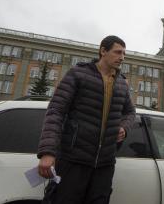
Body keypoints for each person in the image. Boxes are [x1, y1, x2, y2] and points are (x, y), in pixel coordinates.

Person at [37, 35, 135, 204]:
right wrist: (48, 152)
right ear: (103, 51)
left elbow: (130, 113)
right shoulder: (78, 74)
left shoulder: (120, 83)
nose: (122, 58)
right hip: (73, 160)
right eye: (118, 52)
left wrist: (124, 127)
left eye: (124, 54)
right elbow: (56, 111)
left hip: (105, 164)